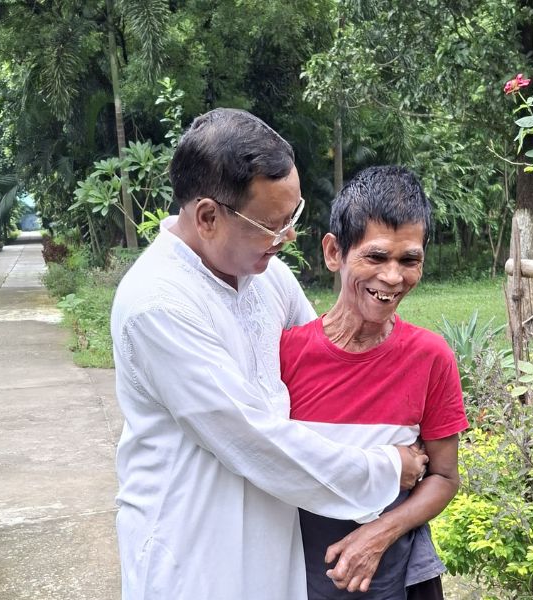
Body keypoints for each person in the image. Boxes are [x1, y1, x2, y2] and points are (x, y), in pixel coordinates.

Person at [110, 109, 428, 600]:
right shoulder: (158, 304)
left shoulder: (266, 275)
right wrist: (384, 469)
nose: (288, 236)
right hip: (193, 547)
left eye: (292, 217)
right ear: (208, 217)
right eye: (271, 224)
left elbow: (323, 365)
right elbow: (252, 437)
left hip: (274, 538)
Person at [281, 166, 469, 599]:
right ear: (334, 252)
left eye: (409, 260)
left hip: (393, 583)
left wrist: (379, 534)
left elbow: (444, 477)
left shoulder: (430, 357)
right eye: (376, 257)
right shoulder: (286, 356)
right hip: (296, 581)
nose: (392, 277)